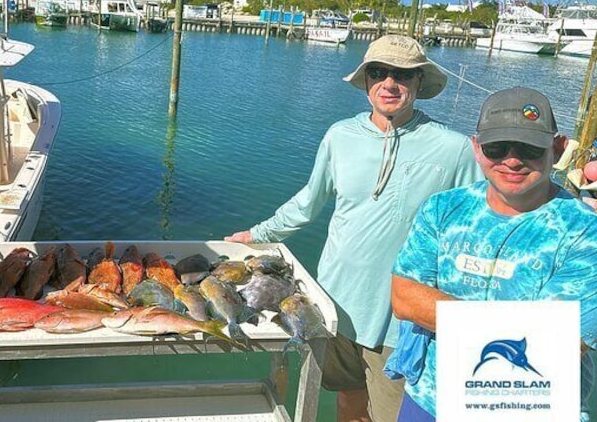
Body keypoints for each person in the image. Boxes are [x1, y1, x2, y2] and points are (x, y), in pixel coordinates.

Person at [226, 34, 483, 422]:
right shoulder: (339, 136)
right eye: (378, 73)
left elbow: (483, 218)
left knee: (392, 413)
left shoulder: (454, 148)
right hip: (334, 304)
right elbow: (308, 202)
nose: (389, 83)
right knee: (347, 399)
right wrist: (257, 235)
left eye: (403, 75)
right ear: (365, 81)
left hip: (403, 318)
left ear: (419, 83)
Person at [391, 87, 597, 420]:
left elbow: (562, 342)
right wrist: (520, 327)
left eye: (529, 148)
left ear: (557, 148)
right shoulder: (442, 209)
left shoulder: (587, 232)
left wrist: (438, 311)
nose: (512, 160)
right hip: (430, 400)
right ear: (476, 148)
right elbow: (404, 299)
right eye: (497, 147)